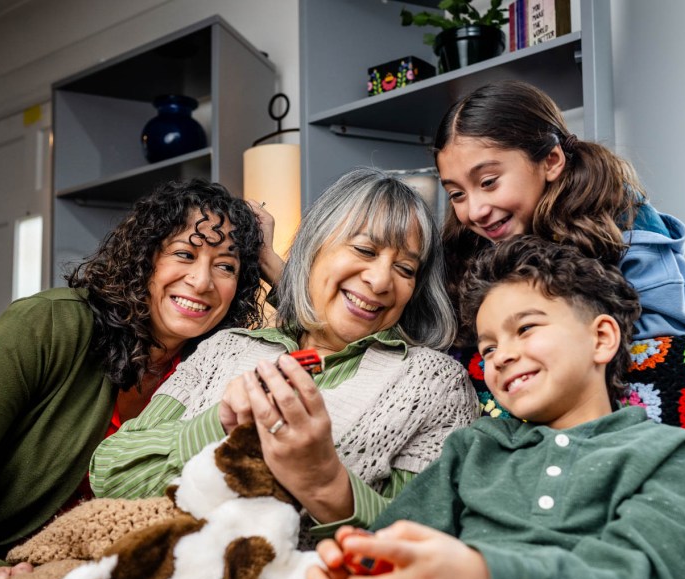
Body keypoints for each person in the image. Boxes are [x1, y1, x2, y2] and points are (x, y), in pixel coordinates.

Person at [301, 236, 685, 579]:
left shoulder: (670, 455)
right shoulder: (474, 448)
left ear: (600, 338)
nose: (503, 357)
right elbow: (397, 543)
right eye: (488, 348)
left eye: (526, 329)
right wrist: (354, 577)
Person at [0, 179, 265, 579]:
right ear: (144, 258)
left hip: (25, 554)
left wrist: (268, 256)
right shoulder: (51, 323)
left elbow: (317, 348)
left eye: (226, 266)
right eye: (184, 254)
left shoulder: (212, 367)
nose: (201, 282)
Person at [90, 167, 479, 536]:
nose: (380, 281)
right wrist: (220, 424)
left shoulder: (433, 382)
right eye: (364, 250)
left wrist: (325, 481)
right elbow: (110, 474)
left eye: (406, 269)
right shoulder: (226, 347)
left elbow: (424, 540)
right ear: (313, 248)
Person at [434, 79, 685, 340]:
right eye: (456, 194)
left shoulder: (621, 219)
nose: (475, 211)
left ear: (551, 161)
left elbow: (671, 329)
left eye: (488, 182)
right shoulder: (468, 245)